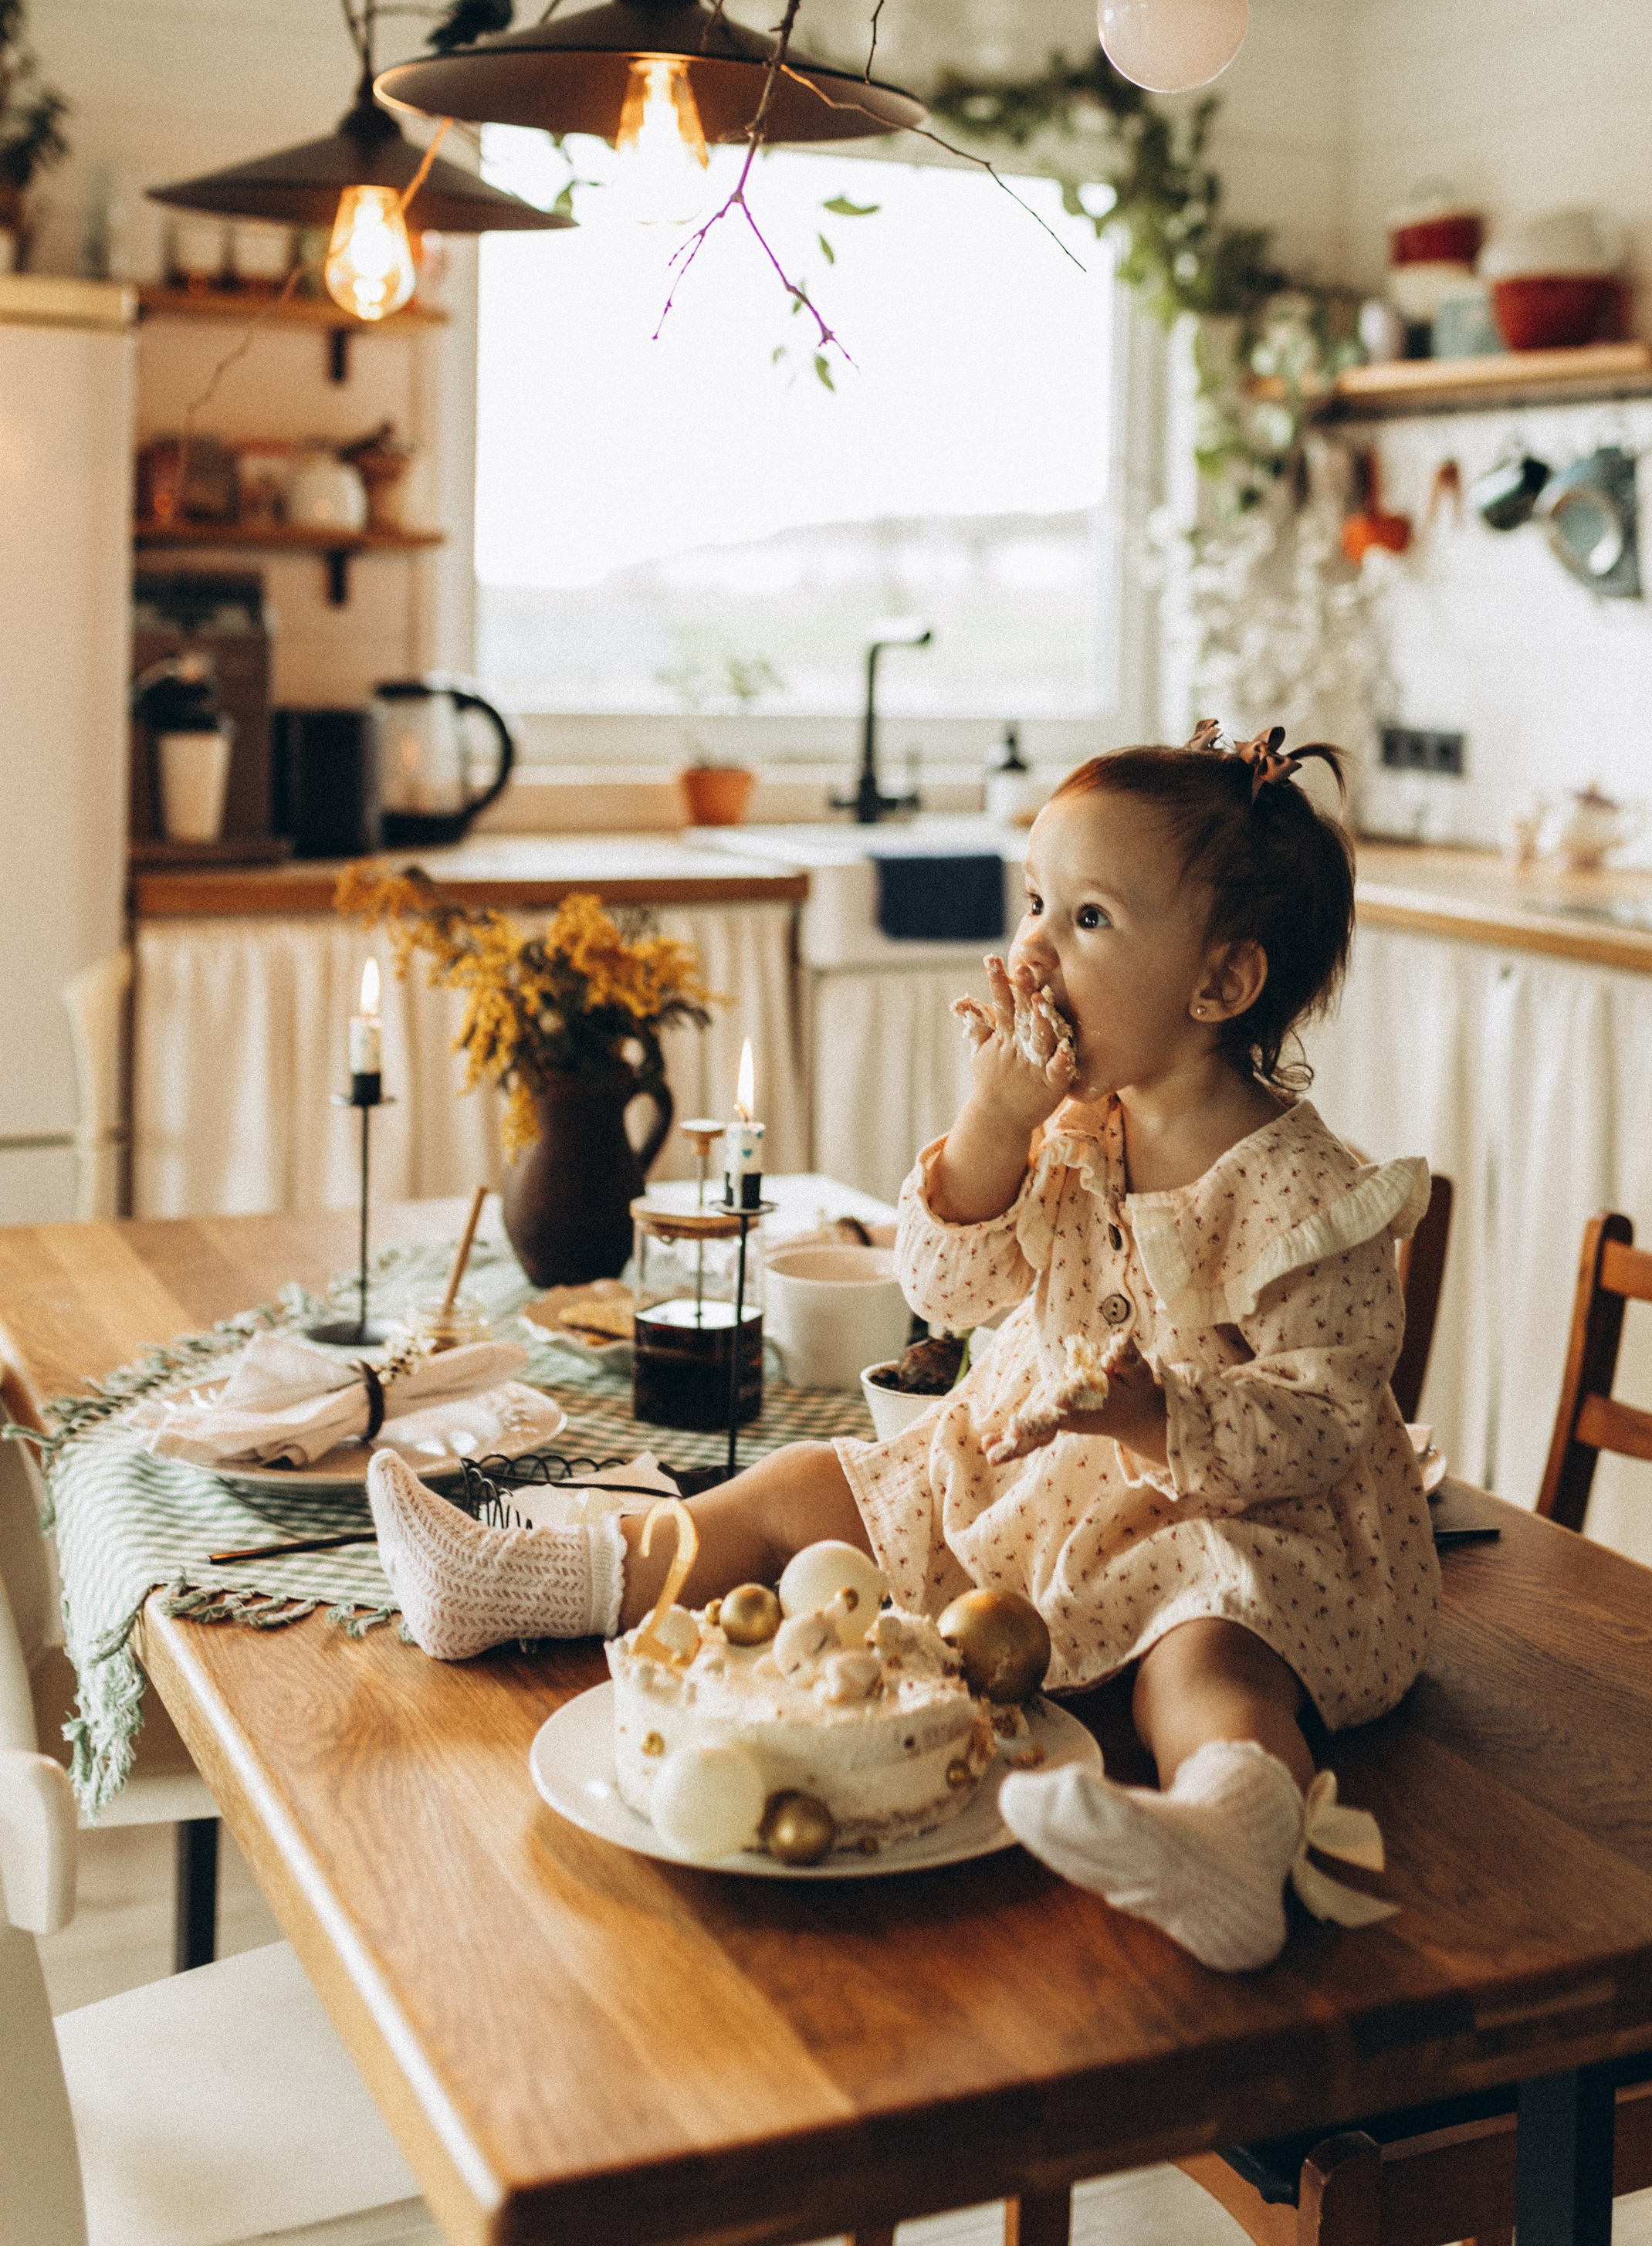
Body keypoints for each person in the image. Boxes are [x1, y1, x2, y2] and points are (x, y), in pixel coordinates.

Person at [371, 720, 1437, 1970]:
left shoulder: (1308, 1197)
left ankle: (1232, 1838)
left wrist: (1161, 1417)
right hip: (1038, 1489)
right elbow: (948, 1288)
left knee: (1205, 1654)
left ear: (1221, 986)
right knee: (795, 1488)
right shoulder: (1074, 1123)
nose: (1032, 947)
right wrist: (990, 1124)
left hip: (1243, 1524)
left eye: (1087, 920)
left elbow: (1326, 1420)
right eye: (1036, 901)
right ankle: (520, 1583)